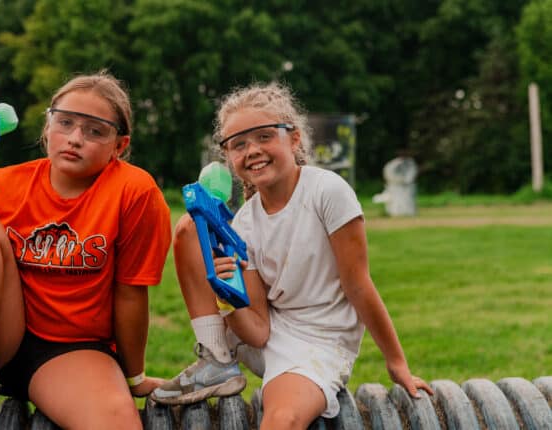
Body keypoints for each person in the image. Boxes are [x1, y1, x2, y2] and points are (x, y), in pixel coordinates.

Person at [150, 82, 433, 427]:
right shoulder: (244, 224)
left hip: (318, 342)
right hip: (267, 331)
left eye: (264, 136)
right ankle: (217, 358)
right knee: (190, 228)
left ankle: (269, 379)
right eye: (238, 144)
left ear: (294, 138)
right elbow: (258, 333)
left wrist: (396, 362)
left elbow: (358, 285)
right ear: (228, 157)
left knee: (282, 420)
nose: (252, 150)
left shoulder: (326, 191)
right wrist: (225, 298)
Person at [0, 71, 171, 430]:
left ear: (119, 145)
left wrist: (134, 377)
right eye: (65, 123)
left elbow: (131, 293)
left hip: (73, 350)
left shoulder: (134, 192)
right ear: (47, 125)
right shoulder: (3, 184)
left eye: (95, 130)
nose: (75, 139)